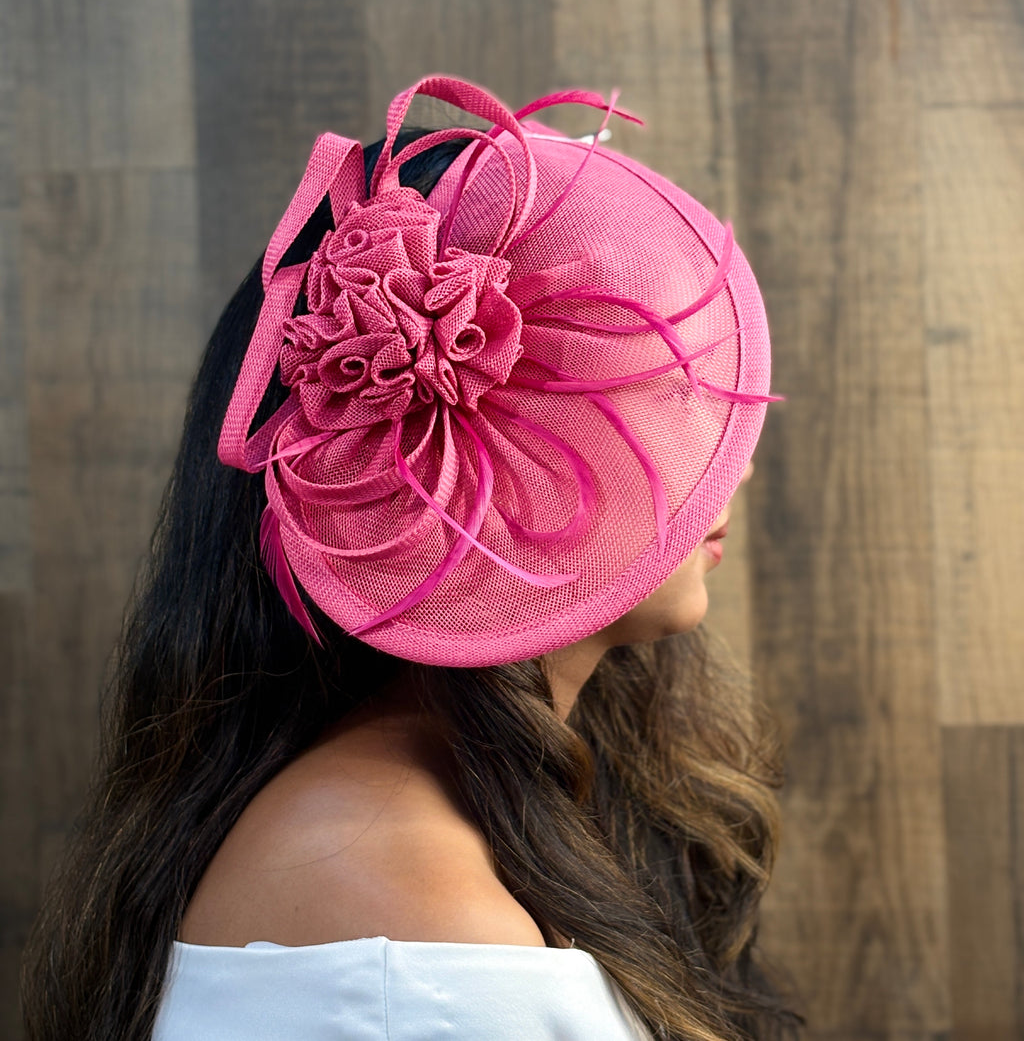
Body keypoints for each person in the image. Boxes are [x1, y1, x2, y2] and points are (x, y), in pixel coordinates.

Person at [21, 76, 807, 1041]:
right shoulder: (407, 931)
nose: (732, 471)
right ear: (473, 486)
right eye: (643, 418)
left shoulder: (450, 825)